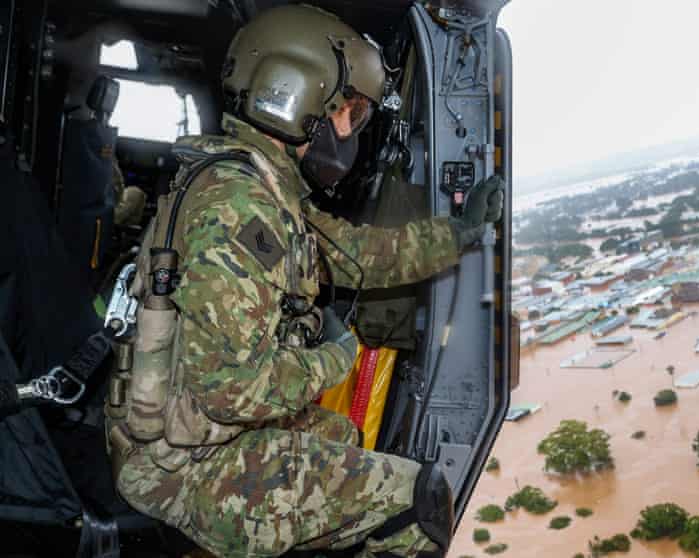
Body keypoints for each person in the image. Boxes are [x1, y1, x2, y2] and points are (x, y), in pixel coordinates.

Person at [106, 5, 503, 558]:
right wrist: (337, 356)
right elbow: (233, 392)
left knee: (339, 437)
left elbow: (358, 254)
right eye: (350, 114)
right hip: (176, 466)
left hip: (190, 434)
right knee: (417, 500)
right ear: (295, 97)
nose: (353, 132)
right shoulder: (240, 209)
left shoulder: (261, 187)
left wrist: (459, 233)